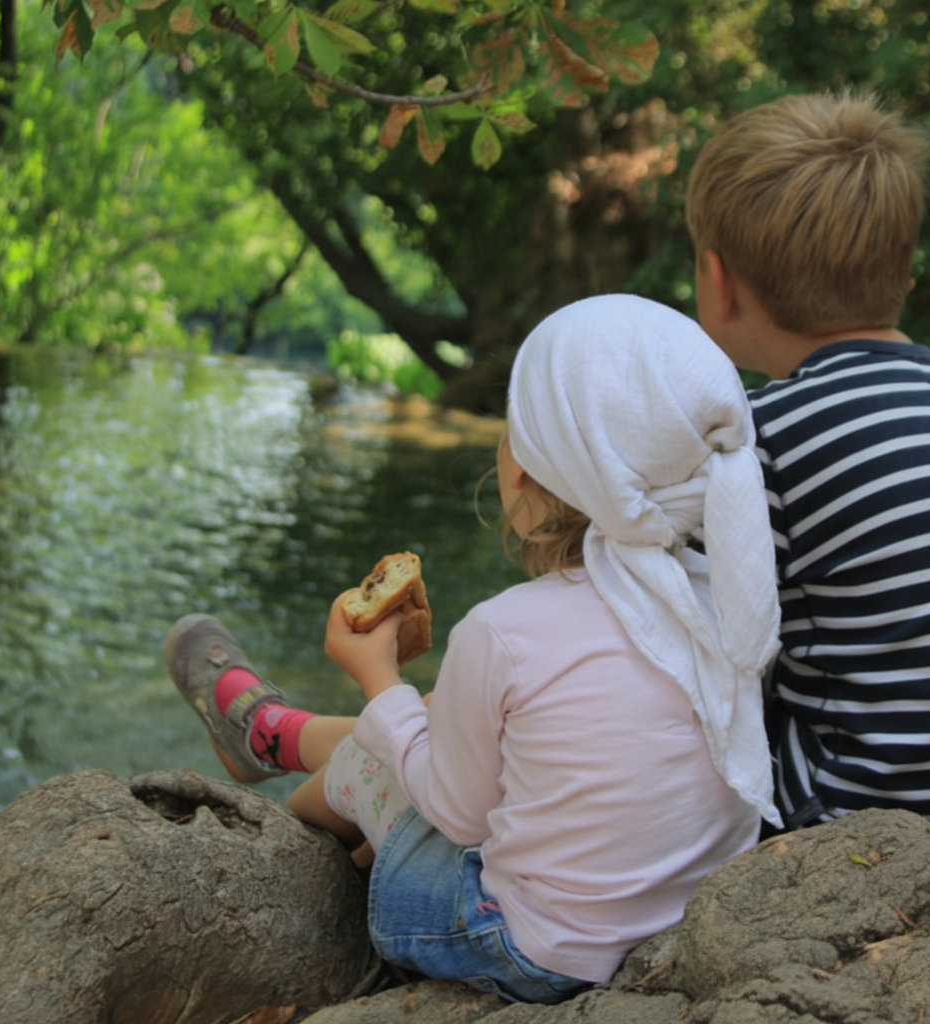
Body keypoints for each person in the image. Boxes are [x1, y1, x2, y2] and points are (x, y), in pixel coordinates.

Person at [163, 293, 783, 1003]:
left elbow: (457, 813)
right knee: (454, 725)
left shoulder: (504, 631)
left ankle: (276, 822)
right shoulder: (729, 597)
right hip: (674, 917)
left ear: (520, 468)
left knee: (382, 754)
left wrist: (377, 677)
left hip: (531, 949)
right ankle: (272, 738)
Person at [686, 88, 930, 830]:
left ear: (719, 282)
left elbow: (691, 649)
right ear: (903, 272)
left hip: (848, 818)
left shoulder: (756, 441)